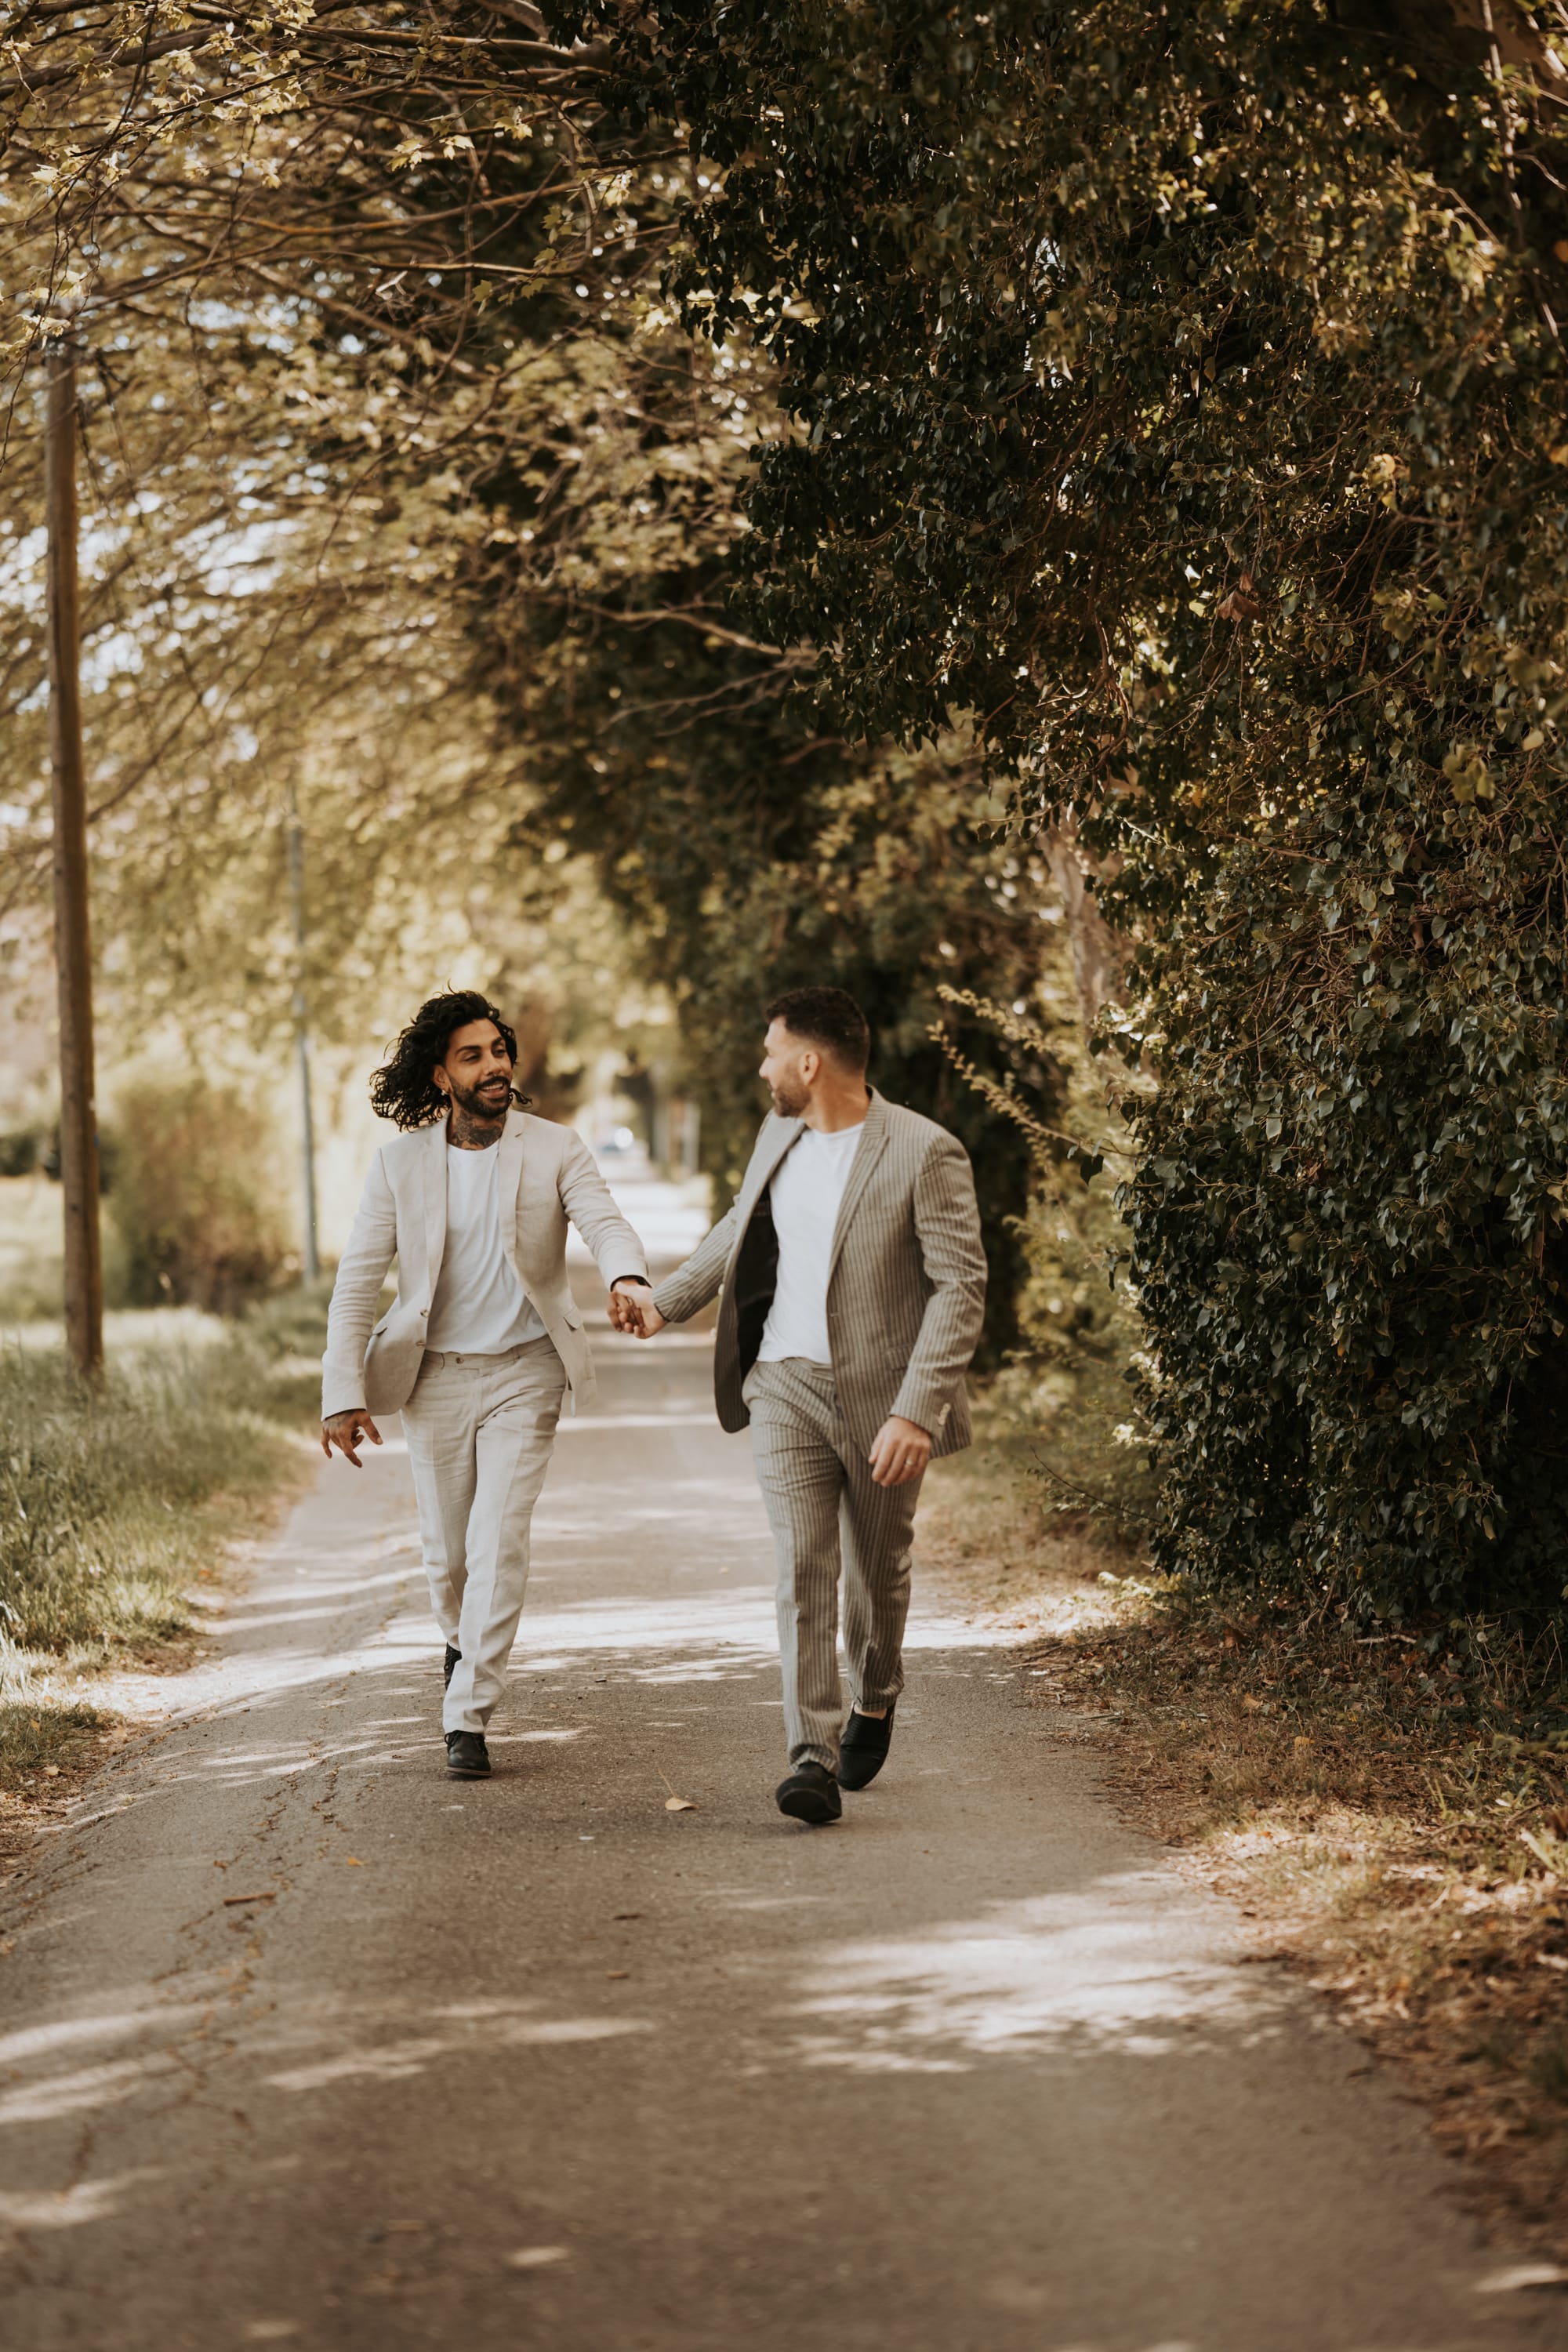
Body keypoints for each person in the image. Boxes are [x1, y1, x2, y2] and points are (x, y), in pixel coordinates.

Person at [611, 987, 986, 1824]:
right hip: (781, 1384)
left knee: (877, 1573)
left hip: (884, 1400)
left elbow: (959, 1289)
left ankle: (877, 1693)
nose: (761, 1068)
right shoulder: (776, 1135)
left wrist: (916, 1410)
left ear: (809, 1063)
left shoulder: (924, 1152)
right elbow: (735, 1228)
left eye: (771, 1051)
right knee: (803, 1568)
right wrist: (665, 1302)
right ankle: (810, 1756)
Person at [320, 989, 652, 1779]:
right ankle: (461, 1646)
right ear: (442, 1076)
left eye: (499, 1050)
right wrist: (342, 1391)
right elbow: (359, 1280)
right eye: (472, 1056)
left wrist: (629, 1276)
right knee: (448, 1560)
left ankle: (466, 1714)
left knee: (498, 1539)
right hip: (433, 1378)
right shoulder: (399, 1163)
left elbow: (603, 1221)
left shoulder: (554, 1149)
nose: (494, 1066)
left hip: (525, 1370)